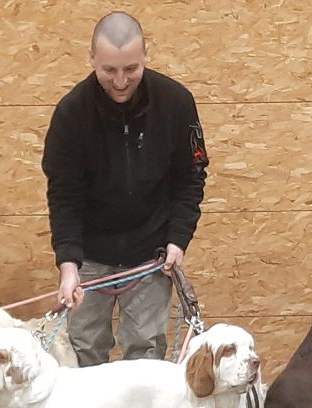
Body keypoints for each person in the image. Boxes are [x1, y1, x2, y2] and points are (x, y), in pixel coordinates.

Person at [41, 11, 209, 367]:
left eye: (131, 69)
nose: (120, 81)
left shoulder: (176, 102)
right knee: (85, 351)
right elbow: (64, 195)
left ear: (146, 54)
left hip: (151, 254)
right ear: (92, 60)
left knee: (146, 353)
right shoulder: (71, 114)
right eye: (109, 70)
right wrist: (68, 264)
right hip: (89, 255)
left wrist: (178, 239)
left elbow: (191, 178)